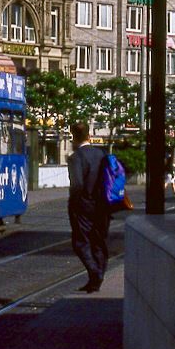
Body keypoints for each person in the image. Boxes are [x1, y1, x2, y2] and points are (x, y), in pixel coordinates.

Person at [67, 121, 109, 293]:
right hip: (103, 205)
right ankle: (95, 281)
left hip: (84, 206)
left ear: (73, 136)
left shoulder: (76, 157)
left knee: (81, 243)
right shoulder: (101, 154)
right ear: (89, 135)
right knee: (98, 242)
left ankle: (95, 273)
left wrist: (74, 204)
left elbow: (77, 185)